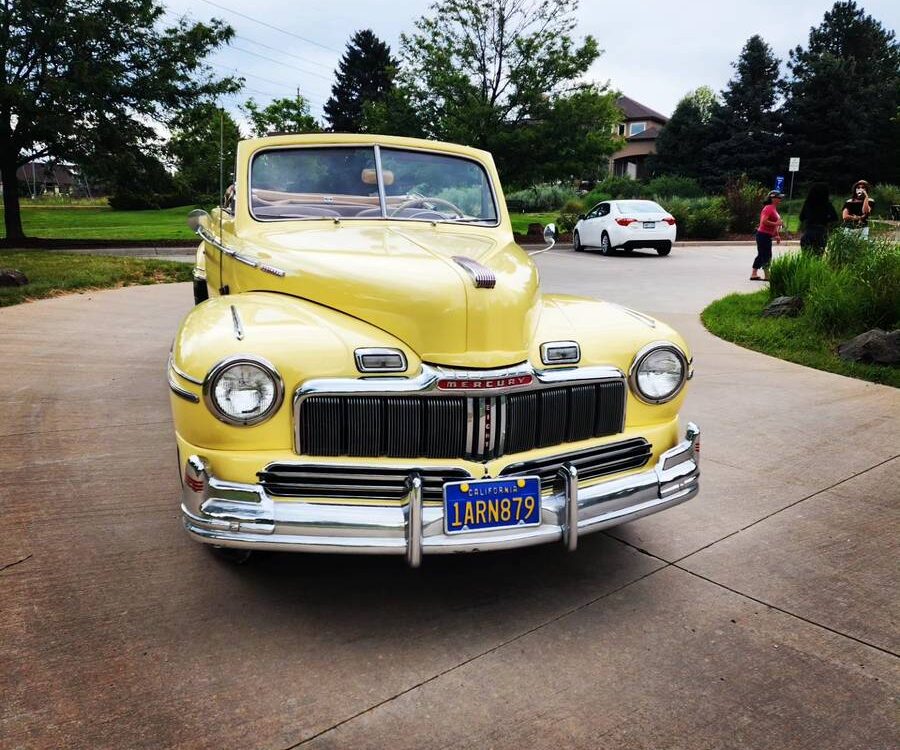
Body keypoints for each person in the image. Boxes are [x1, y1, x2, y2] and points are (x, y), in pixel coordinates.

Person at [751, 190, 783, 281]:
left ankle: (754, 274)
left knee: (761, 254)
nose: (780, 199)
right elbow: (763, 221)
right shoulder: (768, 208)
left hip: (766, 235)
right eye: (779, 197)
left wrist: (777, 235)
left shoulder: (773, 208)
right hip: (762, 235)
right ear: (773, 198)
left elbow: (775, 224)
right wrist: (776, 223)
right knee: (766, 255)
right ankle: (767, 276)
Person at [799, 182, 838, 254]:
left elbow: (801, 217)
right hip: (821, 231)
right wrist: (826, 220)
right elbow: (834, 218)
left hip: (809, 231)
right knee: (818, 255)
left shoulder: (808, 203)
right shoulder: (827, 204)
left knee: (806, 256)